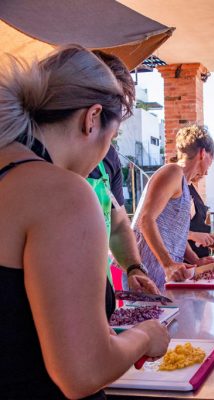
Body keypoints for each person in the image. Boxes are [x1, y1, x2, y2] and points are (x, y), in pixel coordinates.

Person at [0, 46, 169, 398]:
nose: (104, 154)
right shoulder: (64, 193)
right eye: (111, 137)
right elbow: (83, 373)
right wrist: (145, 336)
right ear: (92, 118)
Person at [90, 50, 160, 294]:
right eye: (115, 129)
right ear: (92, 116)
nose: (114, 138)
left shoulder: (108, 157)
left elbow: (118, 225)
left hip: (98, 297)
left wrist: (133, 267)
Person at [129, 124, 214, 290]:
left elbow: (177, 235)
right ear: (202, 154)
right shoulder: (172, 172)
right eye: (212, 157)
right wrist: (168, 264)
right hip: (145, 275)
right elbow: (145, 221)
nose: (210, 166)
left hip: (161, 277)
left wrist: (195, 261)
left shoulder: (185, 185)